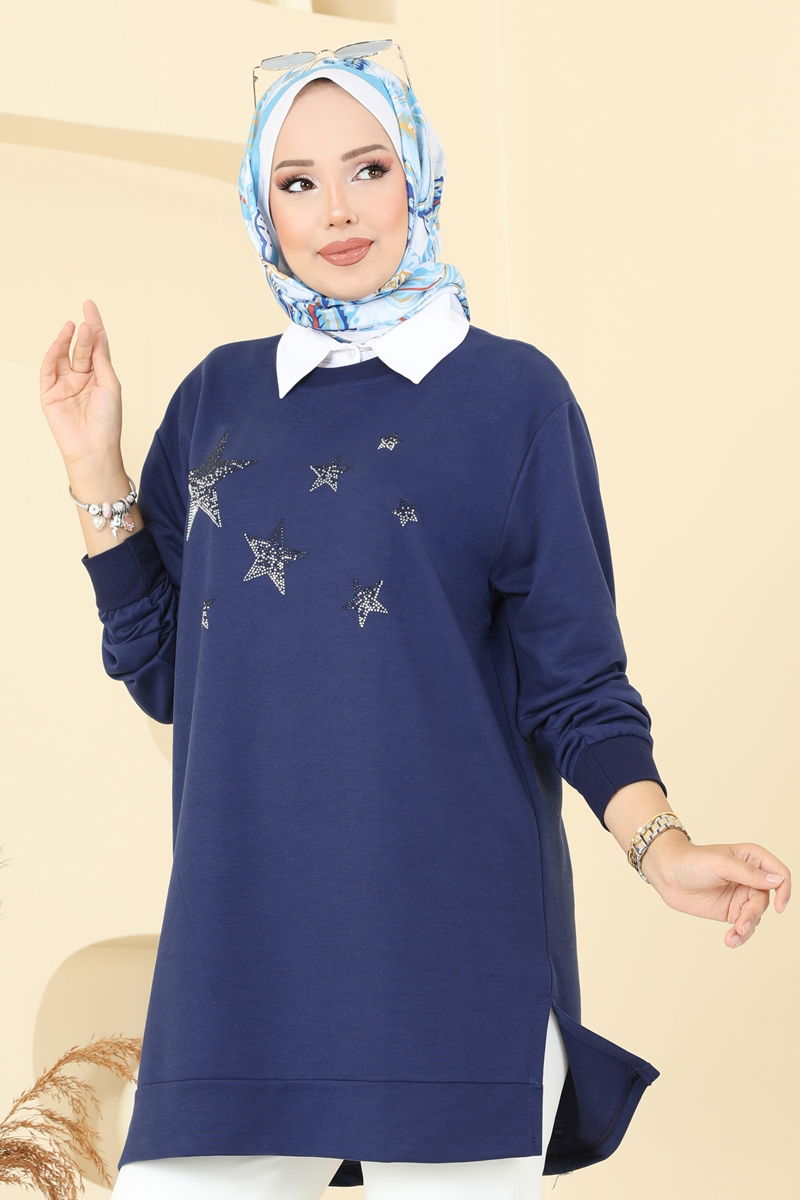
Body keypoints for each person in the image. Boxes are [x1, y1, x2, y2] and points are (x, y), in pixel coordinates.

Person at [39, 47, 791, 1200]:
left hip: (453, 964)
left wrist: (662, 846)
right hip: (238, 963)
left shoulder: (512, 398)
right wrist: (95, 466)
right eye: (297, 183)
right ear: (261, 206)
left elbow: (574, 685)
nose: (336, 212)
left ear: (417, 178)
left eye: (368, 169)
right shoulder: (215, 400)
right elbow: (167, 672)